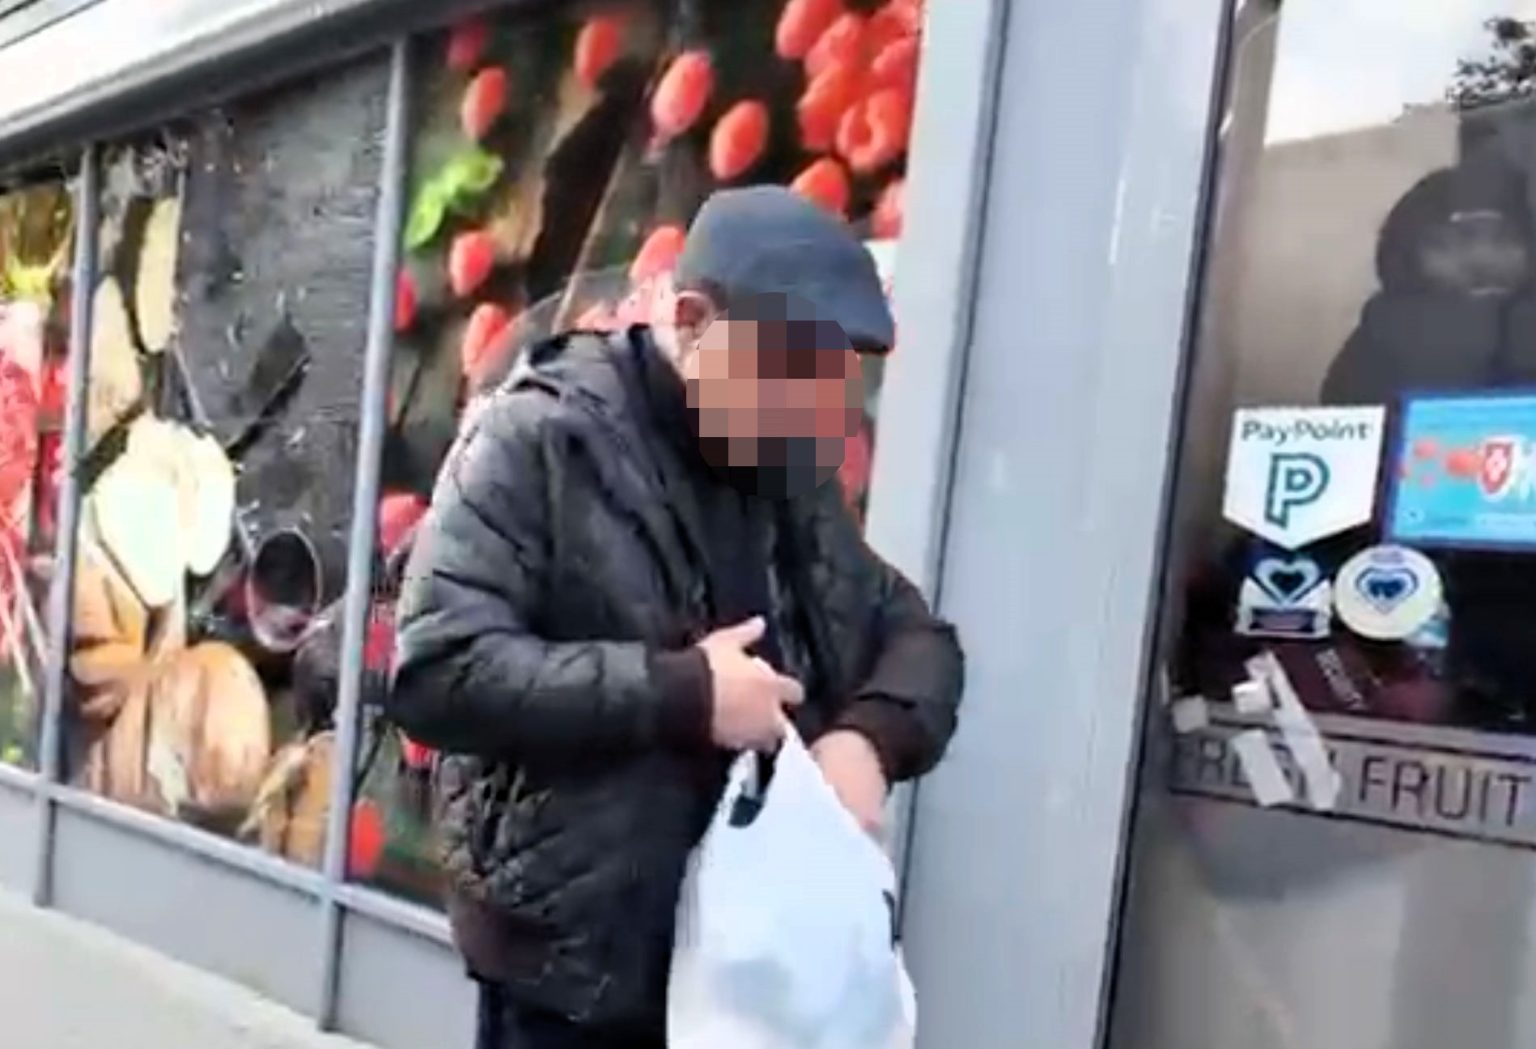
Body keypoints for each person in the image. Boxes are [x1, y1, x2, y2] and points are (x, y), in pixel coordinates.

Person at [388, 185, 964, 1049]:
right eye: (791, 373)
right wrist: (686, 692)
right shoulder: (536, 440)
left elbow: (919, 637)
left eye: (834, 381)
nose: (816, 413)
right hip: (574, 979)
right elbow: (438, 672)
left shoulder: (788, 471)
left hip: (747, 975)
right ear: (692, 321)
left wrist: (869, 741)